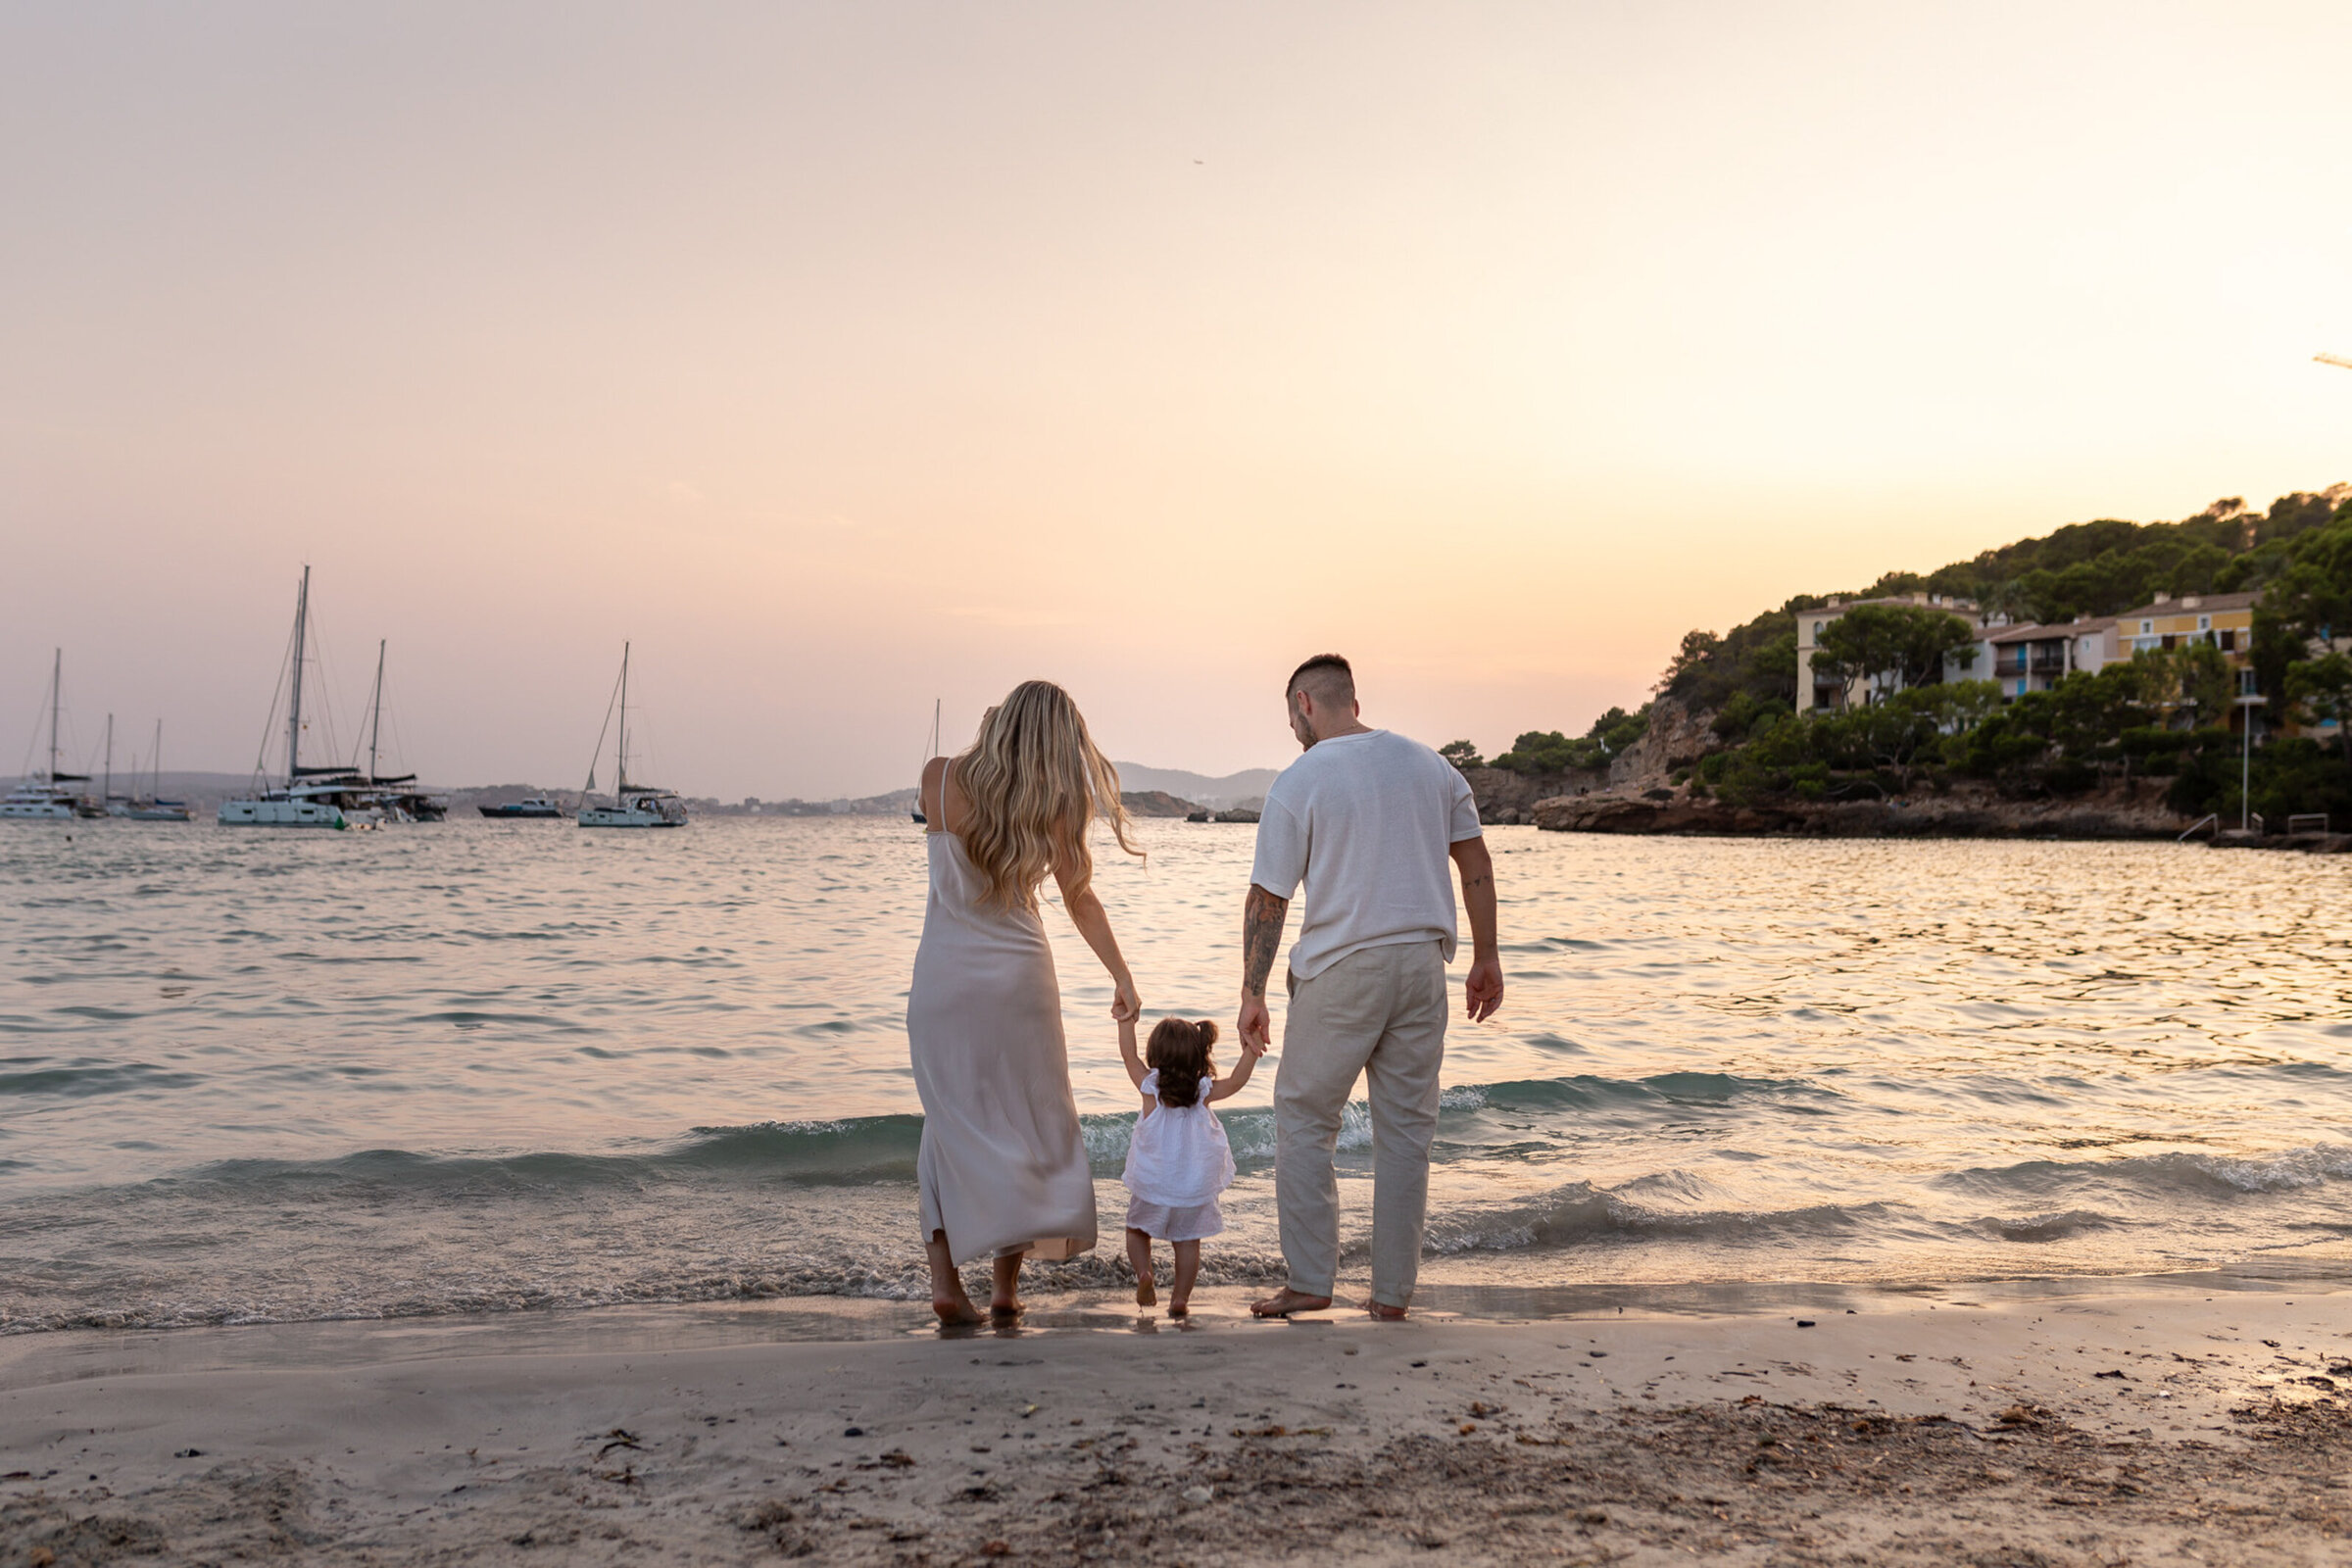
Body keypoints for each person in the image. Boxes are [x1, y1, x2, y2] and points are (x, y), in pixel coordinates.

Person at [1239, 654, 1502, 1321]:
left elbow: (1268, 897)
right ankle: (1390, 1297)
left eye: (1290, 715)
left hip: (1343, 969)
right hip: (1423, 965)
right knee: (1407, 1133)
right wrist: (1487, 957)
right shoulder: (1431, 766)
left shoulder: (1301, 779)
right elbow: (1473, 860)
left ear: (1304, 703)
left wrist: (1253, 992)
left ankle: (1309, 1281)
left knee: (1304, 1119)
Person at [908, 680, 1143, 1325]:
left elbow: (964, 796)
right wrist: (1120, 974)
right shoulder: (1059, 804)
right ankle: (1006, 1289)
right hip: (1020, 985)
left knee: (948, 1121)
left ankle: (945, 1281)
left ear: (1001, 722)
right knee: (1029, 1120)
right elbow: (1080, 899)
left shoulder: (939, 777)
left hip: (943, 983)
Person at [1116, 1014, 1261, 1317]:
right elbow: (1236, 1081)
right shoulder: (1202, 1093)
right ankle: (1180, 1299)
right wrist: (1251, 1048)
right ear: (1198, 1055)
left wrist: (1125, 1020)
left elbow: (1127, 1054)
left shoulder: (1149, 1089)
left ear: (1154, 1056)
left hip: (1153, 1184)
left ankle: (1145, 1273)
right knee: (1186, 1242)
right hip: (1192, 1187)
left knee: (1136, 1231)